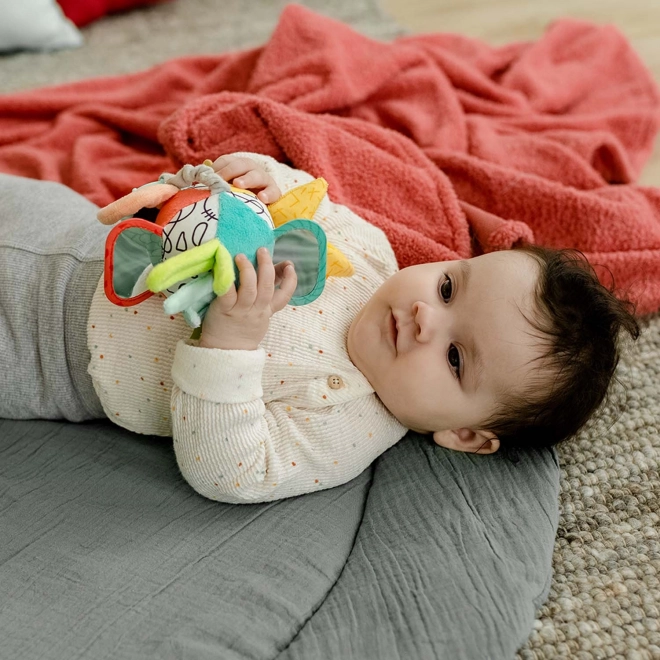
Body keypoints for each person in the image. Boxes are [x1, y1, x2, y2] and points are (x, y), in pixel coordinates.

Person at [0, 154, 640, 503]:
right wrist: (270, 181)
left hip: (45, 351)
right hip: (82, 231)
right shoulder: (370, 255)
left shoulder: (348, 424)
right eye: (448, 287)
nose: (425, 317)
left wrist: (230, 340)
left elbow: (233, 470)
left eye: (454, 358)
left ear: (466, 435)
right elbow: (313, 204)